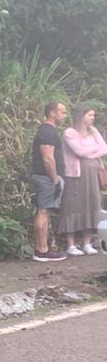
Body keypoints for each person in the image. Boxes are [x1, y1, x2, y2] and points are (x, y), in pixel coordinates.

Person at [60, 105, 107, 254]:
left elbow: (104, 149)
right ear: (81, 116)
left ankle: (87, 243)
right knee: (73, 205)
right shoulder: (70, 132)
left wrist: (89, 153)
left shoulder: (94, 131)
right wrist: (94, 151)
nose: (93, 118)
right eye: (90, 115)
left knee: (91, 204)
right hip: (75, 174)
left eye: (93, 115)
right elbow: (79, 151)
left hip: (93, 173)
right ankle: (71, 244)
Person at [31, 101, 68, 261]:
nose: (65, 116)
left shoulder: (49, 131)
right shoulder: (47, 131)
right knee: (44, 211)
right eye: (63, 112)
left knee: (45, 212)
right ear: (53, 113)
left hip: (48, 177)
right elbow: (47, 158)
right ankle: (41, 250)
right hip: (47, 178)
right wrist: (55, 180)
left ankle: (42, 248)